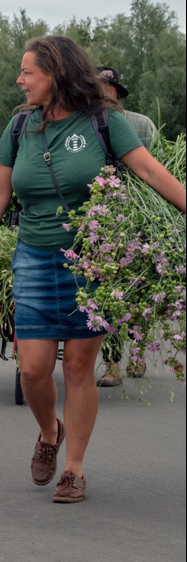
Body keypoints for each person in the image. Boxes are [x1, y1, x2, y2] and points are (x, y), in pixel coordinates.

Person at [0, 35, 185, 504]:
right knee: (33, 369)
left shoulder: (104, 122)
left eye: (28, 72)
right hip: (33, 258)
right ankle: (50, 431)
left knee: (81, 366)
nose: (19, 80)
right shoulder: (21, 126)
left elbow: (149, 171)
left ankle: (74, 469)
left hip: (94, 258)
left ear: (56, 74)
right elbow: (0, 189)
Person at [94, 66, 155, 387]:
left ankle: (140, 349)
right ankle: (111, 364)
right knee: (110, 293)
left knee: (139, 290)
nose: (102, 92)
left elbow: (153, 168)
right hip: (103, 222)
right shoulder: (86, 124)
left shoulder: (140, 124)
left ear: (116, 92)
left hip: (139, 218)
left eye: (106, 87)